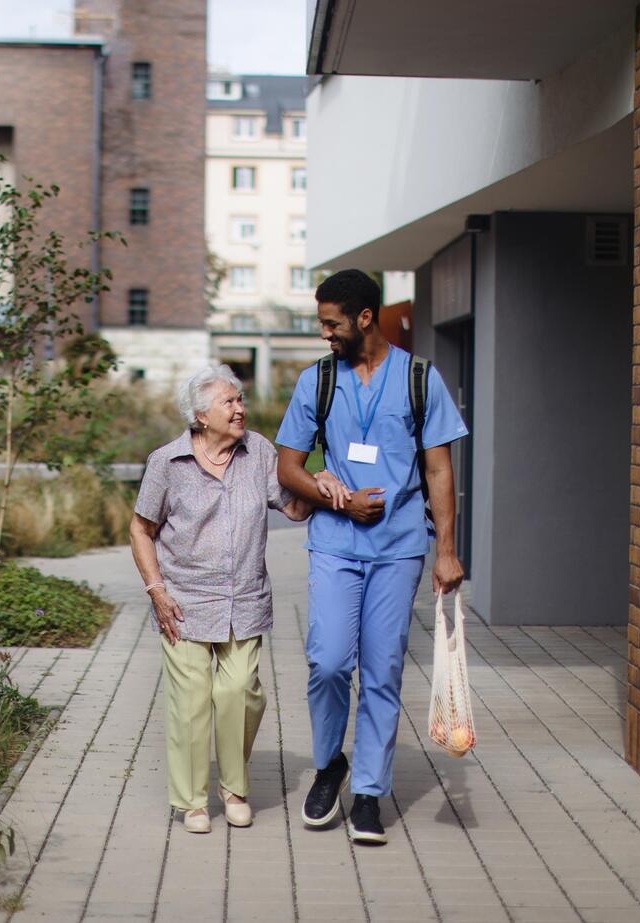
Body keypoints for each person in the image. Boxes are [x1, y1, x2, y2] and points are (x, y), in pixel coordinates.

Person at [275, 269, 469, 845]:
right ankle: (330, 761)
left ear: (365, 318)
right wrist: (329, 493)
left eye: (332, 323)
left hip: (399, 548)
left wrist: (448, 553)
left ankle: (368, 792)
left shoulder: (418, 378)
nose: (324, 333)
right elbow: (288, 467)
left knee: (382, 669)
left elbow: (438, 468)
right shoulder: (318, 380)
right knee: (329, 660)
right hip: (336, 541)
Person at [129, 364, 320, 834]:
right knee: (191, 700)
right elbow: (141, 529)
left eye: (240, 400)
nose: (241, 408)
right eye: (229, 402)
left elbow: (292, 508)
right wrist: (156, 590)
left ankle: (234, 788)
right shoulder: (167, 463)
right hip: (184, 602)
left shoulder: (258, 452)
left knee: (239, 693)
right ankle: (192, 801)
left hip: (245, 599)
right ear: (200, 415)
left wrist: (318, 483)